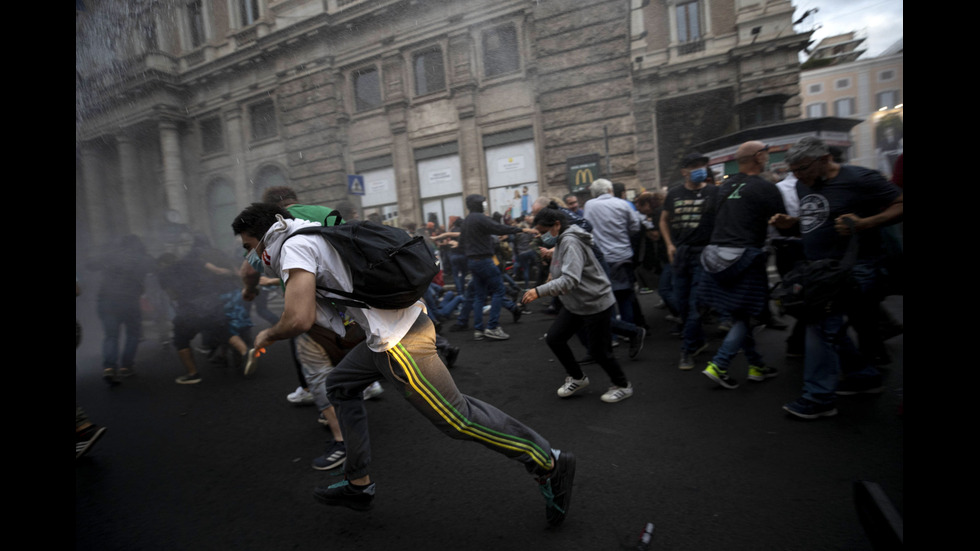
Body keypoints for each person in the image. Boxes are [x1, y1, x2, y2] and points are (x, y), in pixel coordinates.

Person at [232, 202, 575, 525]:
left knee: (456, 419)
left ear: (267, 234)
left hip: (399, 343)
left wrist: (267, 335)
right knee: (340, 385)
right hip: (388, 334)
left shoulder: (292, 246)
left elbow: (298, 319)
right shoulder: (308, 233)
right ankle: (358, 481)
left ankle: (549, 462)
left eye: (249, 245)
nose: (250, 255)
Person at [771, 137, 903, 419]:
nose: (797, 176)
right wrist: (792, 223)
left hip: (853, 267)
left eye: (803, 168)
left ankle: (818, 397)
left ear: (824, 158)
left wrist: (866, 222)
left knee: (820, 325)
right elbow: (818, 217)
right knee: (826, 326)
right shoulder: (802, 183)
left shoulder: (859, 178)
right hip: (819, 269)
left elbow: (899, 203)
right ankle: (864, 377)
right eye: (793, 170)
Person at [521, 208, 634, 403]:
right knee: (555, 338)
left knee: (599, 351)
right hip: (576, 303)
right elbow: (563, 270)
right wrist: (551, 273)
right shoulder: (562, 240)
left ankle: (623, 386)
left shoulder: (570, 241)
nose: (541, 236)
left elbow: (570, 280)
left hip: (595, 302)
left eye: (543, 231)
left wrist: (539, 291)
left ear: (557, 224)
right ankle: (577, 378)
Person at [698, 141, 786, 389]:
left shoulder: (722, 187)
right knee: (746, 314)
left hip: (716, 256)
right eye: (766, 153)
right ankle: (719, 364)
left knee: (740, 314)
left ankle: (756, 366)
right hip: (745, 256)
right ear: (758, 157)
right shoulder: (764, 187)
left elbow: (710, 219)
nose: (767, 157)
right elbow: (782, 221)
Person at [659, 152, 719, 370]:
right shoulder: (674, 193)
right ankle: (699, 340)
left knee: (695, 304)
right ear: (684, 171)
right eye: (694, 166)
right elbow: (664, 220)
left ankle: (687, 349)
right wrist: (669, 244)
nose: (699, 169)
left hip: (704, 253)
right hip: (682, 254)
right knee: (681, 302)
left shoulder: (714, 192)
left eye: (703, 165)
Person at [455, 194, 537, 341]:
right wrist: (522, 230)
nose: (485, 204)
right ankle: (492, 327)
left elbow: (461, 244)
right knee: (499, 291)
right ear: (478, 204)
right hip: (485, 261)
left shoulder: (467, 220)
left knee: (479, 296)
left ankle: (479, 330)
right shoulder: (480, 218)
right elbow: (499, 228)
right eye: (483, 202)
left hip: (473, 262)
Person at [85, 234, 154, 384]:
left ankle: (109, 367)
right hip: (129, 301)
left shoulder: (111, 256)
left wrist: (106, 257)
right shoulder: (143, 258)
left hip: (107, 300)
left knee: (111, 335)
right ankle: (126, 366)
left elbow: (89, 265)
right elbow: (153, 270)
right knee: (133, 333)